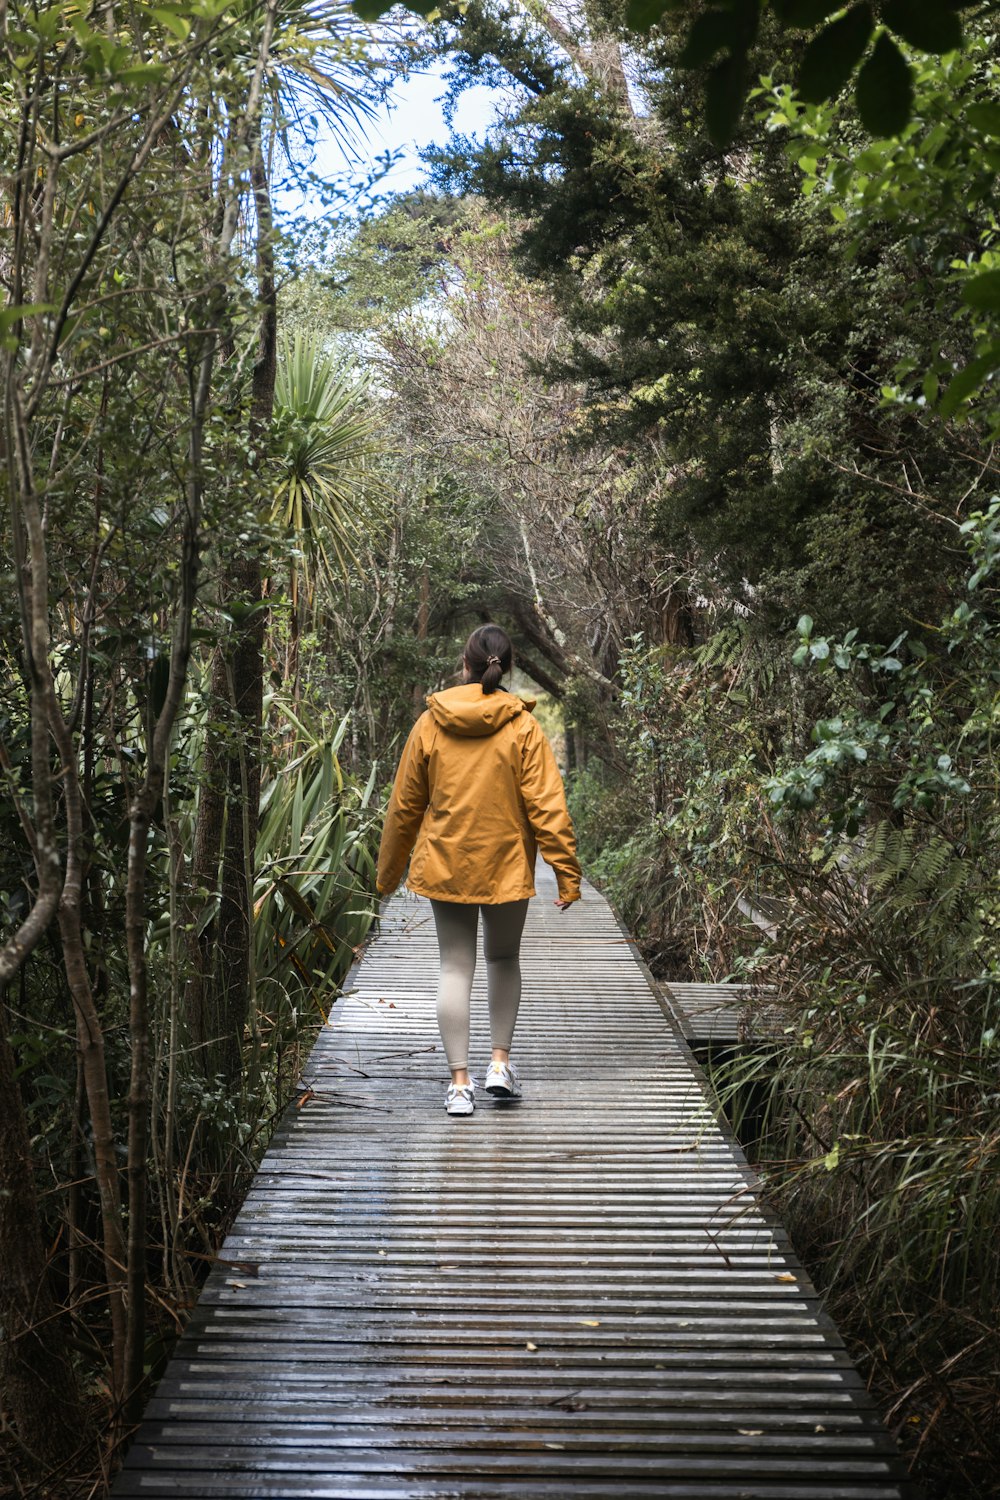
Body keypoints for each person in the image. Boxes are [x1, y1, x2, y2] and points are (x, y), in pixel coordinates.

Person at [376, 623, 581, 1116]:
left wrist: (386, 877)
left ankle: (459, 1085)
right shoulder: (522, 727)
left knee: (454, 966)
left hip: (446, 863)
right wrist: (566, 872)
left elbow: (405, 807)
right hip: (507, 863)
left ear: (464, 666)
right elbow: (547, 807)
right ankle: (499, 1064)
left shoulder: (431, 723)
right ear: (505, 667)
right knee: (503, 959)